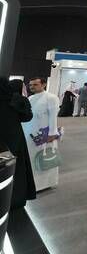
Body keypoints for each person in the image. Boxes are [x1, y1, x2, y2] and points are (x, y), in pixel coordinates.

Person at [0, 78, 35, 209]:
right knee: (15, 169)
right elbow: (27, 117)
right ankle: (14, 199)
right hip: (13, 139)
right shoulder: (16, 99)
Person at [25, 77, 61, 191]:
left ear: (44, 84)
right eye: (30, 85)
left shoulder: (51, 98)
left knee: (46, 157)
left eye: (35, 84)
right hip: (30, 134)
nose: (32, 87)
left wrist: (52, 134)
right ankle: (33, 184)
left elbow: (53, 117)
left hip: (45, 134)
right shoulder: (30, 98)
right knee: (33, 159)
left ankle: (45, 183)